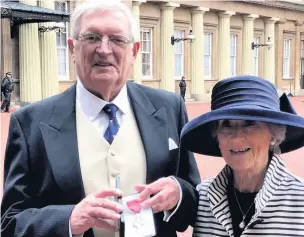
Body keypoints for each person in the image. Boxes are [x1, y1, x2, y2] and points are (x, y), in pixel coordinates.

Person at [1, 1, 200, 237]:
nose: (104, 49)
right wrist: (69, 221)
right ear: (73, 49)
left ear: (134, 51)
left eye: (117, 39)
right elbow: (10, 224)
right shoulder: (29, 124)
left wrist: (178, 194)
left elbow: (194, 197)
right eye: (92, 37)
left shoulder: (169, 108)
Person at [180, 75, 304, 237]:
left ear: (274, 135)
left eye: (249, 123)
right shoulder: (203, 197)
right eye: (226, 125)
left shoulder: (300, 199)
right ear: (216, 137)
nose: (237, 137)